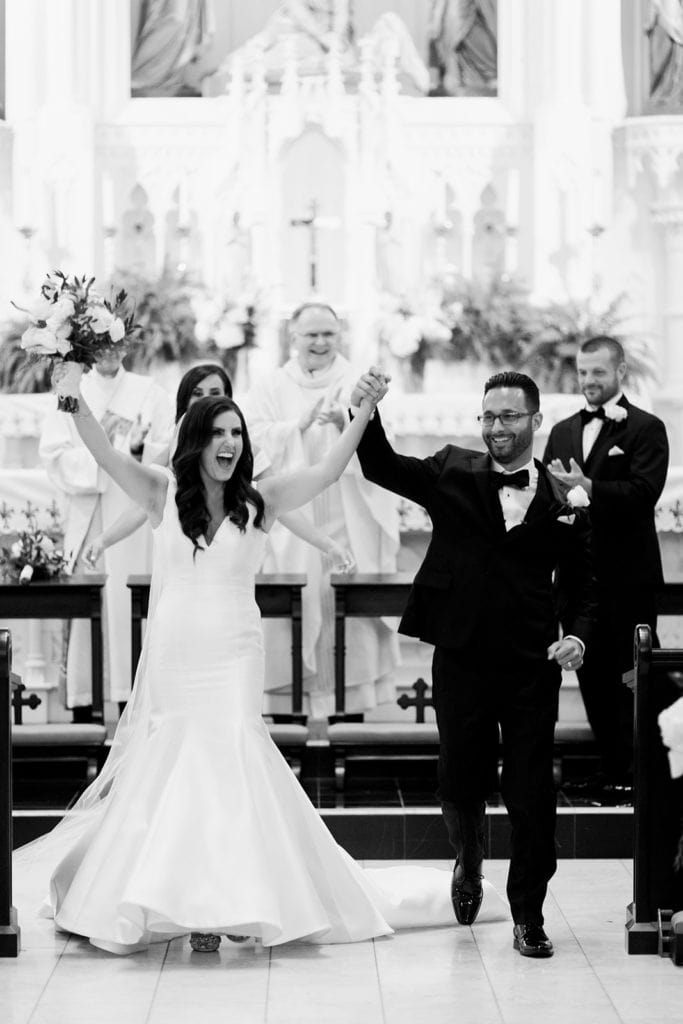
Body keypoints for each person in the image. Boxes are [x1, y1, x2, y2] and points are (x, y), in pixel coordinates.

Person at [15, 361, 507, 954]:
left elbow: (327, 472)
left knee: (229, 762)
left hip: (233, 654)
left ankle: (228, 900)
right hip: (177, 652)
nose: (230, 443)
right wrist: (71, 395)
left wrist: (363, 412)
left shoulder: (261, 500)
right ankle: (184, 902)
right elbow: (100, 452)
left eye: (237, 433)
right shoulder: (159, 492)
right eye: (219, 433)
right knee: (178, 766)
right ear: (196, 441)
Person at [351, 367, 596, 958]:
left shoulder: (567, 493)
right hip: (460, 654)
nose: (495, 427)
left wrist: (578, 638)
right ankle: (468, 857)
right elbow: (381, 464)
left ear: (536, 420)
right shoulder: (451, 470)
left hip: (530, 658)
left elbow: (585, 585)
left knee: (532, 789)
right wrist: (365, 409)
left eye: (508, 416)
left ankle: (528, 914)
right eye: (487, 416)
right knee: (461, 776)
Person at [244, 302, 400, 718]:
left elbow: (388, 449)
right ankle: (286, 718)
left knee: (347, 611)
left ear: (339, 336)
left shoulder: (358, 381)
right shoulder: (271, 385)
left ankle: (349, 716)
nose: (319, 342)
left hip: (348, 516)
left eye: (327, 334)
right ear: (292, 338)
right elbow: (251, 442)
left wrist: (348, 421)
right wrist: (295, 427)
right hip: (290, 527)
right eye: (310, 334)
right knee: (289, 614)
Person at [86, 362, 354, 580]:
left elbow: (280, 505)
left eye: (215, 394)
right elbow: (141, 506)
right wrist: (103, 541)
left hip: (232, 560)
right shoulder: (170, 450)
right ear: (184, 400)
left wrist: (327, 544)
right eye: (197, 394)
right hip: (186, 562)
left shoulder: (245, 450)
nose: (205, 401)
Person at [543, 336, 669, 795]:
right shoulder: (560, 430)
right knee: (592, 676)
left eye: (598, 371)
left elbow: (643, 494)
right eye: (582, 372)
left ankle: (639, 773)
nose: (588, 381)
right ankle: (610, 768)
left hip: (629, 577)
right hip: (578, 577)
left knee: (631, 676)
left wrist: (590, 487)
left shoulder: (646, 428)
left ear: (619, 372)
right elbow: (553, 494)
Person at [39, 347, 174, 720]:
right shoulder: (70, 392)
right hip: (91, 513)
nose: (109, 353)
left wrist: (133, 448)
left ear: (128, 345)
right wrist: (100, 452)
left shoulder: (151, 392)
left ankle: (143, 708)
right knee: (93, 606)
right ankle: (88, 708)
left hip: (137, 517)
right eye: (101, 344)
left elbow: (164, 456)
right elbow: (54, 456)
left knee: (136, 605)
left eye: (116, 343)